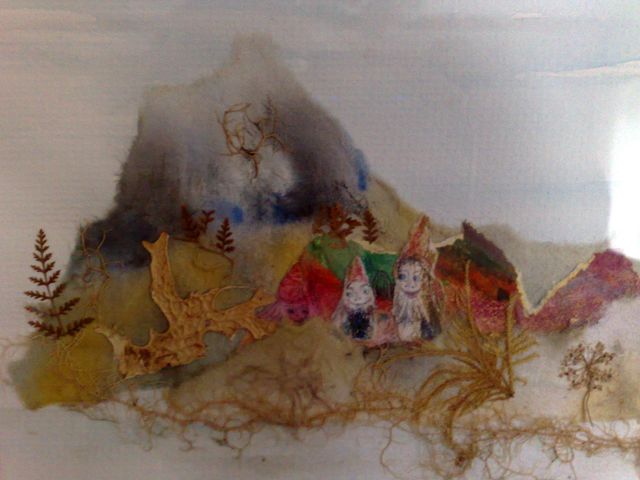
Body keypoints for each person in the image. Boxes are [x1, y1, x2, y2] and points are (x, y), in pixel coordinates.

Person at [392, 215, 440, 342]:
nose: (409, 284)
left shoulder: (425, 303)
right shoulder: (399, 300)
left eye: (416, 278)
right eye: (403, 276)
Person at [332, 256, 375, 340]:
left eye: (364, 291)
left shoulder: (370, 313)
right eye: (351, 293)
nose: (358, 298)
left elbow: (372, 331)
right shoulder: (343, 314)